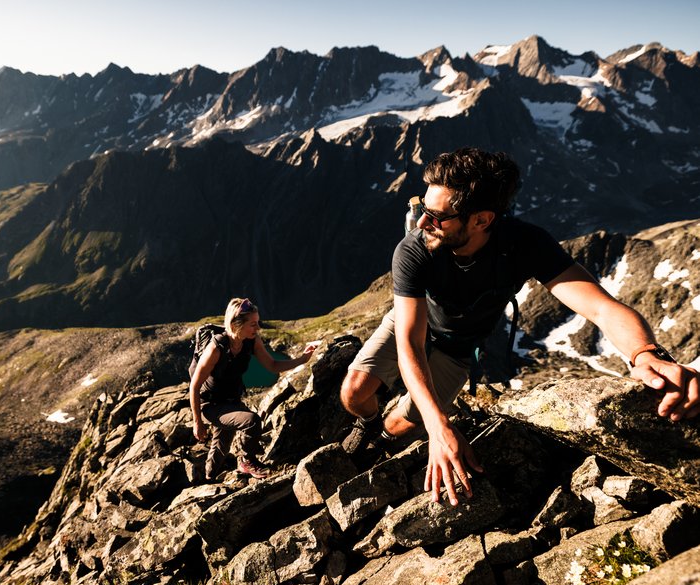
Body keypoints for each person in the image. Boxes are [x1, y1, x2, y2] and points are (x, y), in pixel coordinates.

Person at [340, 147, 700, 506]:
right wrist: (440, 426)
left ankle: (383, 438)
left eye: (436, 217)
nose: (422, 223)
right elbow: (409, 343)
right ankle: (368, 421)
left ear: (482, 220)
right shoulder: (413, 249)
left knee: (405, 424)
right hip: (411, 320)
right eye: (422, 210)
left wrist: (645, 354)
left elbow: (602, 309)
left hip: (457, 347)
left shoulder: (525, 244)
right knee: (354, 393)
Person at [190, 297, 318, 480]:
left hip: (230, 402)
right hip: (209, 405)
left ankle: (207, 479)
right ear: (236, 324)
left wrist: (303, 359)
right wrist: (197, 422)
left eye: (257, 323)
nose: (258, 328)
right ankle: (246, 461)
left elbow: (272, 365)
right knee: (251, 420)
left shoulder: (251, 341)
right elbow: (194, 387)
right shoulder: (216, 349)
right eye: (253, 324)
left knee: (221, 446)